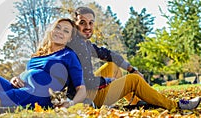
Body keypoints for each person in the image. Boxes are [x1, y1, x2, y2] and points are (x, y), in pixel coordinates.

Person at [68, 6, 200, 110]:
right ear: (75, 24)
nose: (88, 27)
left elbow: (109, 54)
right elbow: (88, 81)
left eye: (91, 23)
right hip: (87, 97)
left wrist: (131, 68)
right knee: (134, 80)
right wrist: (110, 80)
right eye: (82, 23)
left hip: (86, 90)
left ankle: (139, 101)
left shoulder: (83, 43)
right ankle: (175, 105)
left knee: (112, 65)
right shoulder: (77, 45)